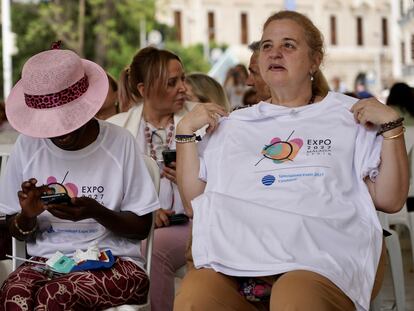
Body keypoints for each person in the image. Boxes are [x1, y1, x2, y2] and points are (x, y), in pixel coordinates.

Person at [174, 10, 408, 311]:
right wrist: (184, 134)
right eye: (267, 46)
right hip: (240, 262)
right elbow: (195, 203)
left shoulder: (349, 116)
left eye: (288, 45)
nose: (274, 53)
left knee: (293, 294)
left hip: (325, 258)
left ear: (314, 60)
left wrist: (392, 127)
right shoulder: (234, 124)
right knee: (196, 295)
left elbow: (390, 199)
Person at [0, 47, 159, 310]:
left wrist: (94, 211)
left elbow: (142, 227)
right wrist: (27, 215)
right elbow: (14, 232)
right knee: (13, 295)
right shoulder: (28, 146)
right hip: (46, 262)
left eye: (67, 120)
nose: (60, 132)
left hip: (115, 263)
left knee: (55, 297)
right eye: (48, 124)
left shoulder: (119, 144)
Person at [107, 46, 195, 311]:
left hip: (191, 223)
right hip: (133, 226)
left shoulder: (199, 121)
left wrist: (186, 178)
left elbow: (222, 187)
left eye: (183, 79)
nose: (183, 88)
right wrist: (145, 210)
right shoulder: (116, 128)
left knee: (153, 250)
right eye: (172, 82)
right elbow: (107, 187)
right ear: (144, 90)